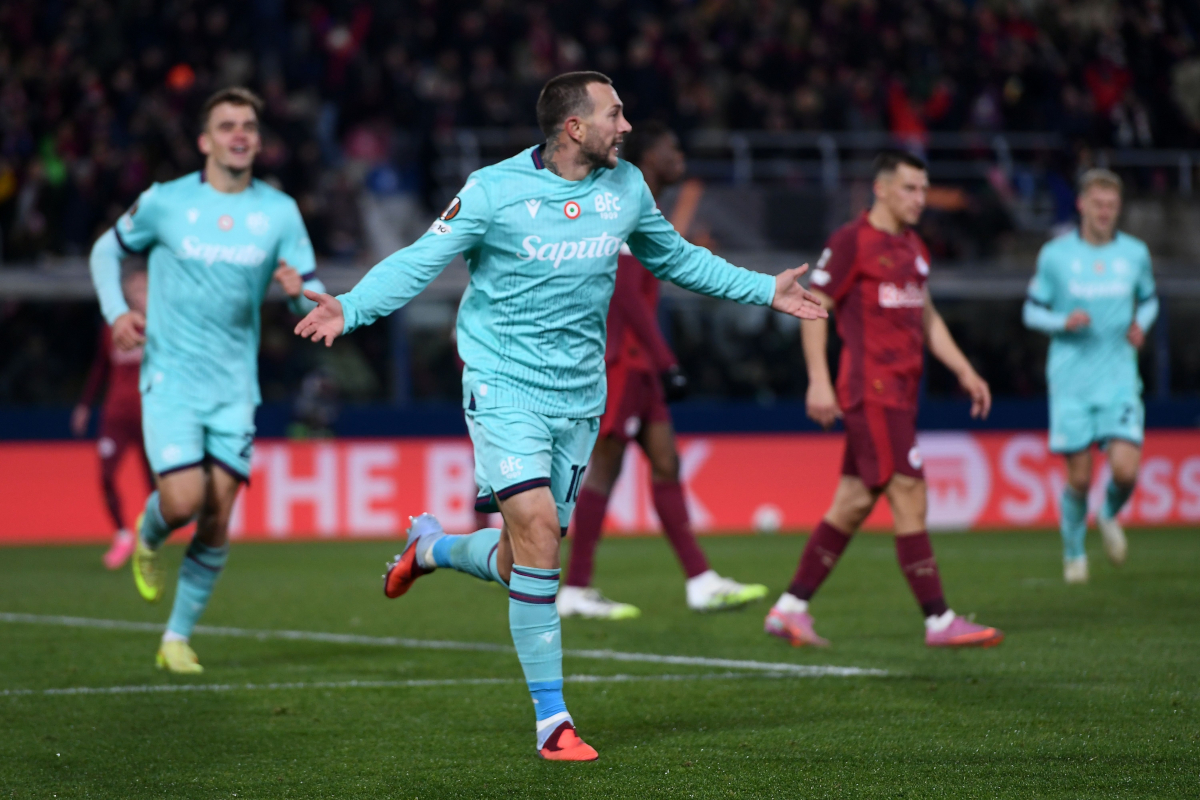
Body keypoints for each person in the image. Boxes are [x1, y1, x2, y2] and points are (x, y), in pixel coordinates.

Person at [295, 71, 826, 761]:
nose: (626, 126)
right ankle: (553, 722)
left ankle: (430, 549)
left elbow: (675, 259)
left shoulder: (626, 187)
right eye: (615, 113)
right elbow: (422, 259)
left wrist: (763, 290)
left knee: (522, 561)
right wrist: (352, 305)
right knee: (541, 533)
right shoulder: (492, 190)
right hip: (502, 386)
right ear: (574, 127)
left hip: (579, 397)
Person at [88, 86, 325, 674]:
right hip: (170, 378)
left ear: (259, 142)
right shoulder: (165, 202)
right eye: (226, 126)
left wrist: (299, 294)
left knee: (218, 516)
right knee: (183, 502)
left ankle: (176, 637)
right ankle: (149, 534)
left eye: (248, 126)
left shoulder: (279, 212)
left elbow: (312, 299)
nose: (239, 134)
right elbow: (103, 253)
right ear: (204, 141)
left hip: (234, 389)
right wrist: (116, 313)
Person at [764, 150, 1005, 649]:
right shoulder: (851, 241)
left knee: (852, 504)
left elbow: (927, 315)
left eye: (924, 189)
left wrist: (964, 370)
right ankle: (938, 619)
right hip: (871, 392)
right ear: (882, 189)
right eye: (910, 188)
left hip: (901, 393)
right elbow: (815, 305)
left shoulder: (914, 246)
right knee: (909, 493)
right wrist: (818, 380)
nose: (920, 198)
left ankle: (789, 609)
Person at [560, 121, 767, 620]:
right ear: (650, 156)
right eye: (673, 149)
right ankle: (575, 589)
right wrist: (667, 360)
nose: (680, 158)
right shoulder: (625, 202)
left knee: (666, 462)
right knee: (605, 468)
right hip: (623, 362)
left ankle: (700, 581)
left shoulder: (641, 204)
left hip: (638, 364)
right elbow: (626, 294)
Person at [1023, 169, 1157, 584]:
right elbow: (1031, 311)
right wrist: (1062, 321)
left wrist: (1141, 325)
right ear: (1081, 204)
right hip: (1072, 382)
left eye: (1111, 205)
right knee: (1079, 477)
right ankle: (1074, 554)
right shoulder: (1055, 255)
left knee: (1126, 471)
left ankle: (1110, 513)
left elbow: (1150, 300)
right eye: (1097, 204)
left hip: (1119, 378)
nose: (1104, 212)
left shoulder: (1134, 253)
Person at [72, 269, 154, 570]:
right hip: (116, 415)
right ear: (127, 293)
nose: (141, 293)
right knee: (106, 474)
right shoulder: (114, 327)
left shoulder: (162, 327)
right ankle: (122, 534)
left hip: (150, 416)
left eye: (145, 287)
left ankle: (150, 536)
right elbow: (100, 368)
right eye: (136, 287)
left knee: (155, 482)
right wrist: (84, 405)